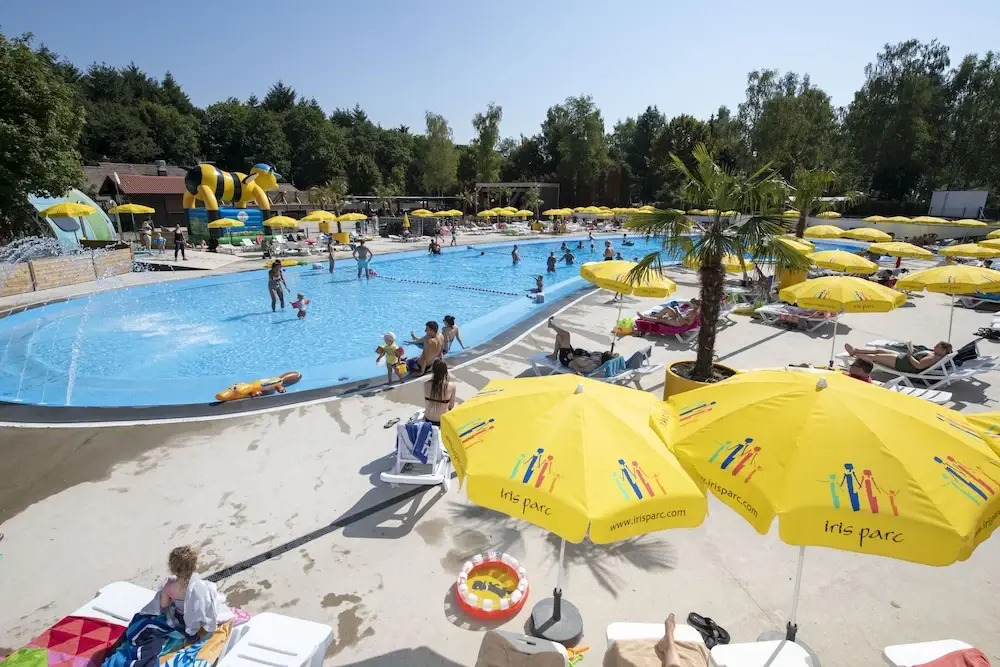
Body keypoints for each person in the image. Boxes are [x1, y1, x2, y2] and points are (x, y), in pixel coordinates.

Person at [143, 545, 234, 637]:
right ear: (194, 566)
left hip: (181, 616)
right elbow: (206, 602)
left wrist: (173, 600)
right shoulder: (199, 586)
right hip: (196, 616)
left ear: (172, 567)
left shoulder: (169, 586)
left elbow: (164, 604)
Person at [546, 318, 615, 375]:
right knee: (559, 336)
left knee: (566, 334)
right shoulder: (597, 358)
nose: (600, 354)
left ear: (604, 359)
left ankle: (552, 325)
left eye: (602, 355)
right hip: (572, 354)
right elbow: (616, 355)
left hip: (567, 360)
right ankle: (554, 355)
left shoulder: (593, 366)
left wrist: (574, 360)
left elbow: (578, 369)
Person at [845, 341, 953, 374]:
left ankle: (854, 354)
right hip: (903, 358)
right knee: (879, 350)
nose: (934, 346)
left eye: (937, 346)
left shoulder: (933, 358)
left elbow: (918, 366)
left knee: (876, 357)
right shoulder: (935, 354)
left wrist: (910, 355)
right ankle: (855, 350)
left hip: (903, 364)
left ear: (943, 350)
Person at [423, 359, 457, 426]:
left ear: (433, 370)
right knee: (456, 404)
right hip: (441, 421)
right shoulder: (451, 386)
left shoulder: (426, 384)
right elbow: (451, 407)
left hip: (427, 419)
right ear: (445, 371)